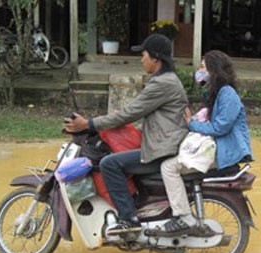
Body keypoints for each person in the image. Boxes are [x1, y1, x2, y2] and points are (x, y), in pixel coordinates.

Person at [63, 34, 188, 236]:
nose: (141, 59)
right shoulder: (165, 80)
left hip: (162, 151)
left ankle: (128, 219)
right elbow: (139, 117)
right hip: (163, 144)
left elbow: (128, 113)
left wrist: (89, 123)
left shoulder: (163, 83)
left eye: (144, 55)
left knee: (109, 164)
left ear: (156, 58)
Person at [155, 50, 253, 237]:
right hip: (214, 148)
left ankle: (183, 216)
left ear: (214, 70)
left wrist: (191, 123)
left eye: (203, 67)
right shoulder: (217, 93)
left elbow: (219, 128)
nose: (199, 71)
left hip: (223, 153)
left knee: (168, 167)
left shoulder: (227, 94)